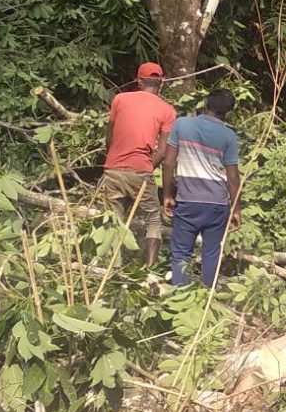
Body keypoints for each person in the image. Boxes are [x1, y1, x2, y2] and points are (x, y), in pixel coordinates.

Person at [161, 88, 242, 288]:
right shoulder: (229, 136)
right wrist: (236, 209)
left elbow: (168, 163)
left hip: (187, 200)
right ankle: (209, 294)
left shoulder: (182, 125)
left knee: (181, 252)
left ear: (206, 103)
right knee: (212, 252)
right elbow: (232, 177)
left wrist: (167, 194)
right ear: (228, 112)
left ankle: (180, 293)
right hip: (217, 204)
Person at [100, 62, 175, 265]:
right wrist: (146, 168)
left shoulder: (120, 99)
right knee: (153, 219)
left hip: (113, 168)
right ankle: (150, 268)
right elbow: (162, 152)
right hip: (141, 169)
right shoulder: (168, 111)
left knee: (114, 219)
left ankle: (113, 266)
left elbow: (109, 138)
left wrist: (114, 159)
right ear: (161, 83)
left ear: (138, 80)